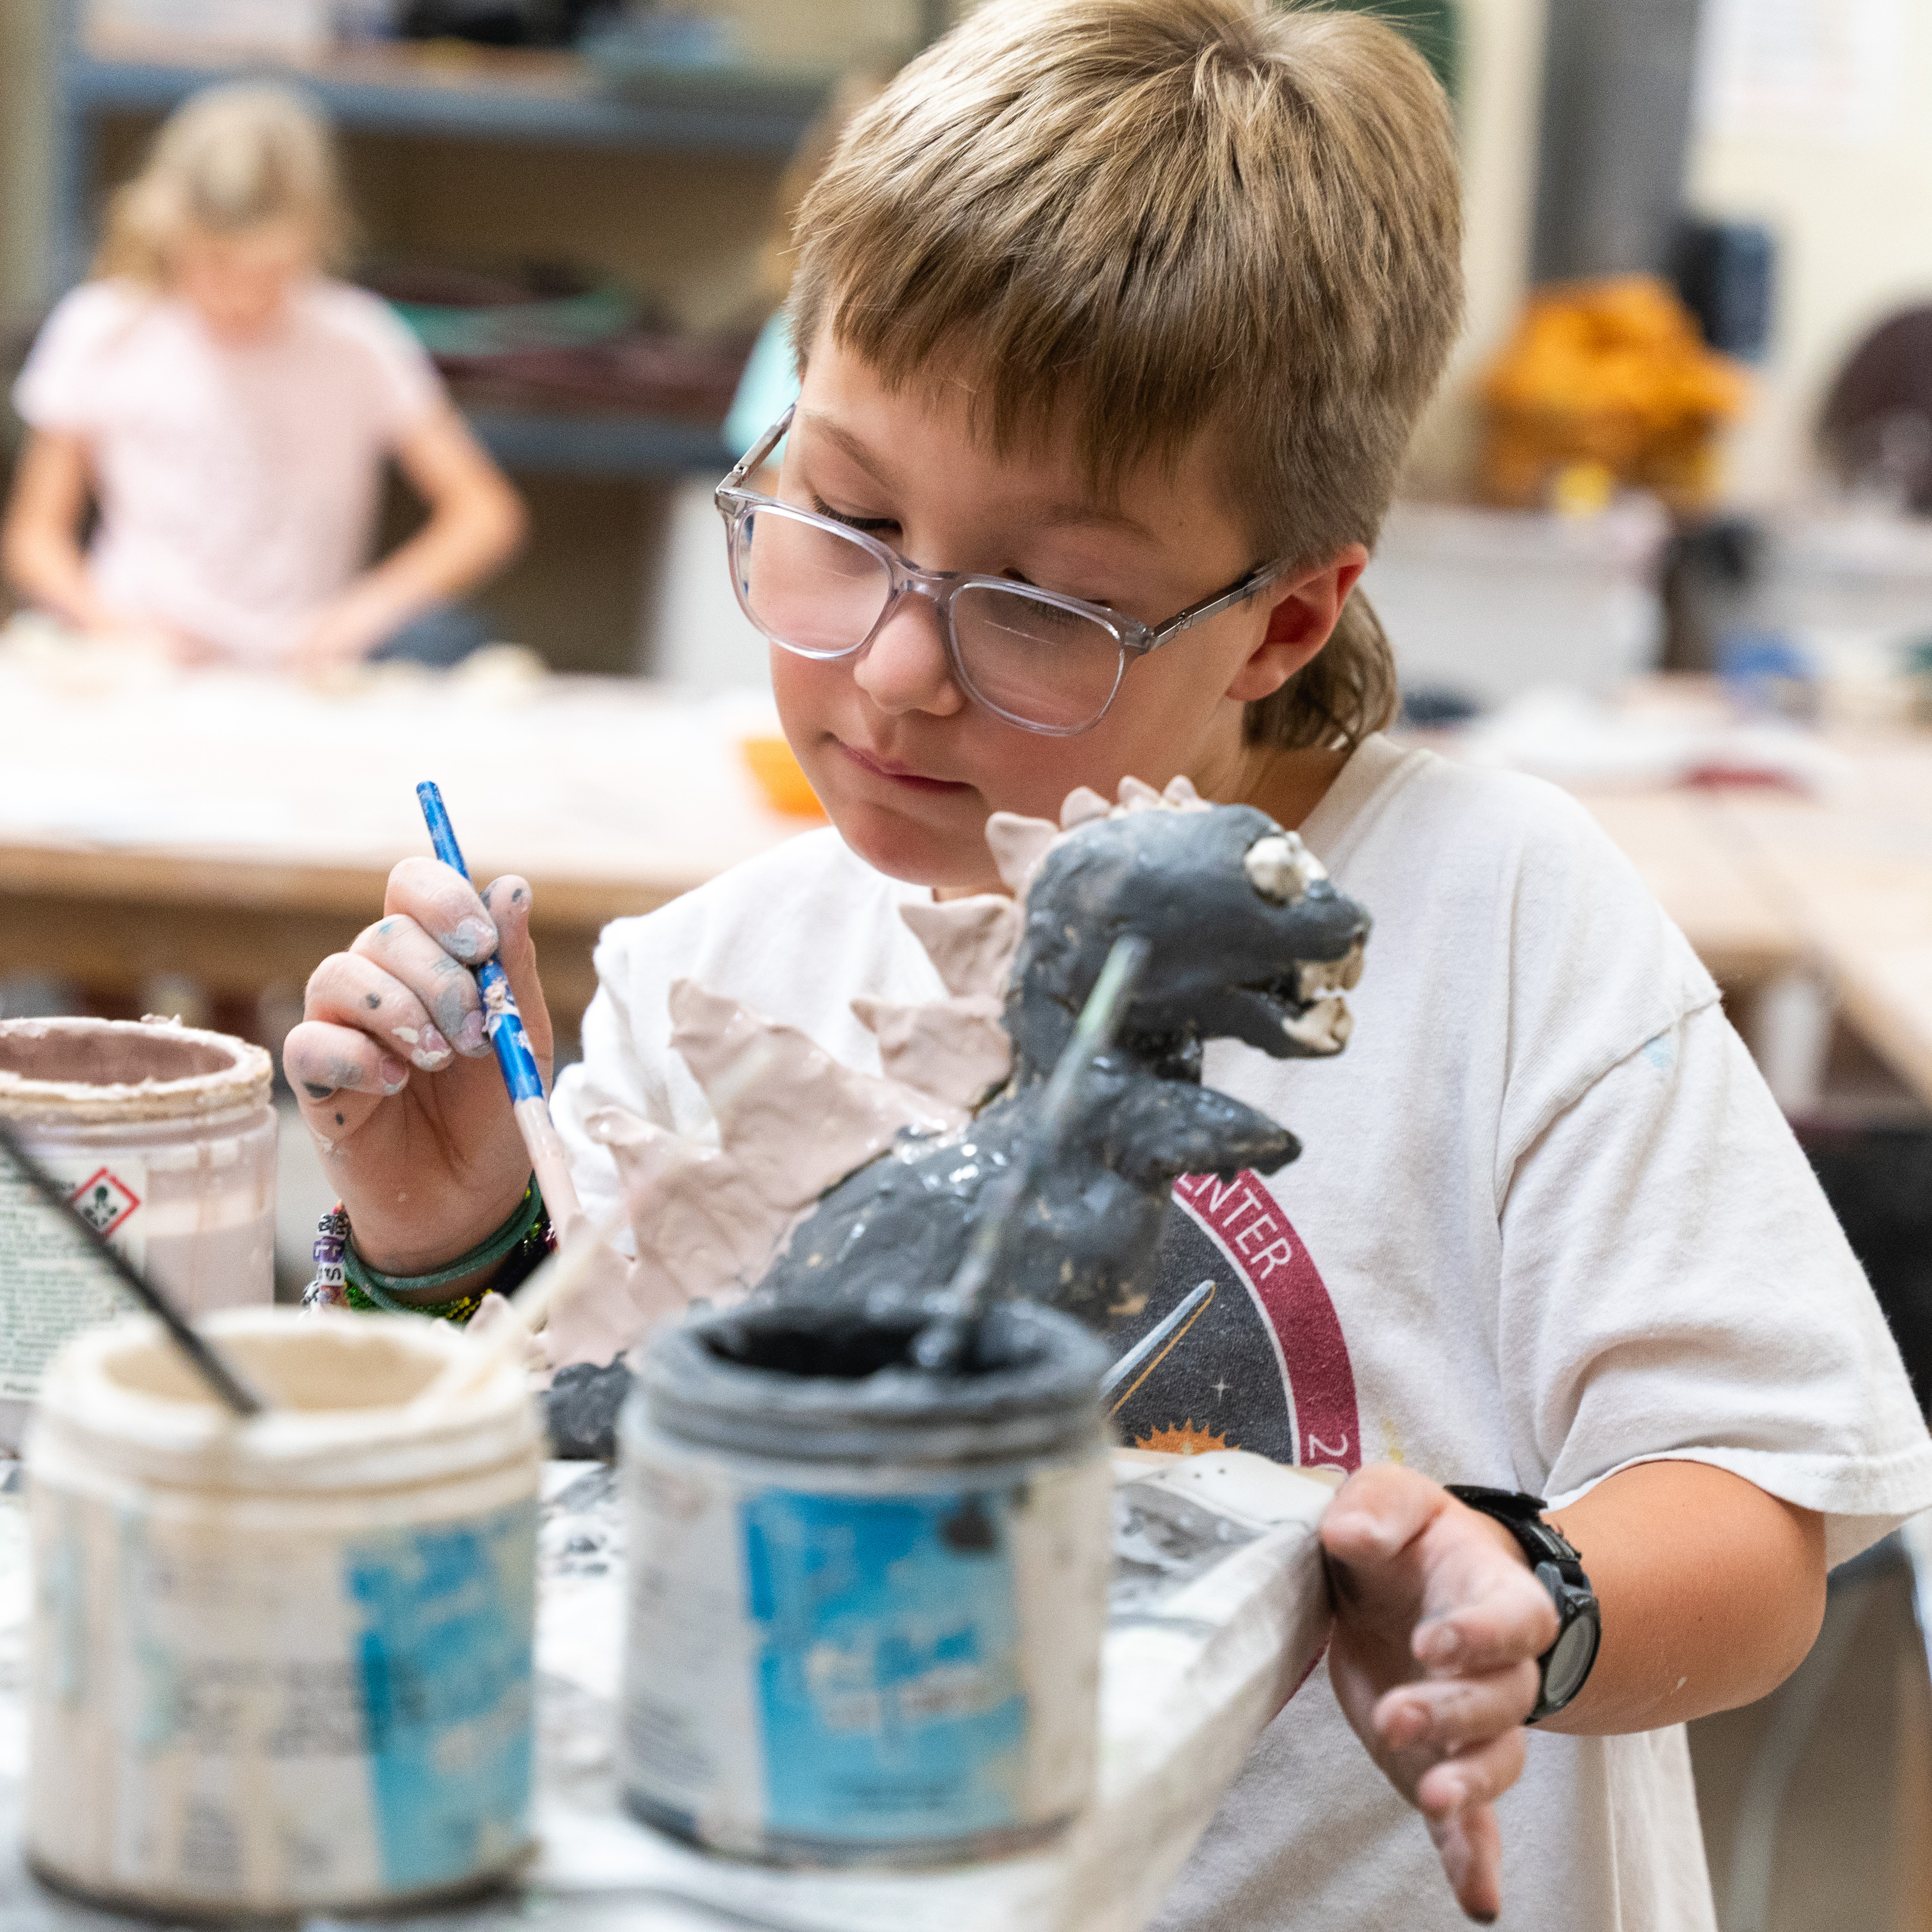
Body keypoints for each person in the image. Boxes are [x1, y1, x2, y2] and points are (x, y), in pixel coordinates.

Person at [282, 3, 1932, 1926]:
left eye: (1044, 602)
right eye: (847, 517)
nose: (898, 663)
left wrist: (1535, 1596)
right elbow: (576, 1512)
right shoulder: (714, 979)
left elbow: (1766, 1503)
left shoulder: (1504, 919)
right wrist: (455, 1251)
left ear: (1287, 616)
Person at [2, 81, 525, 674]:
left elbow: (483, 513)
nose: (241, 297)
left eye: (270, 271)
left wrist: (363, 613)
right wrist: (111, 627)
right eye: (216, 264)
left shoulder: (359, 340)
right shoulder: (103, 329)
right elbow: (34, 539)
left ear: (314, 238)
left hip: (295, 670)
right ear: (168, 230)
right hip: (138, 666)